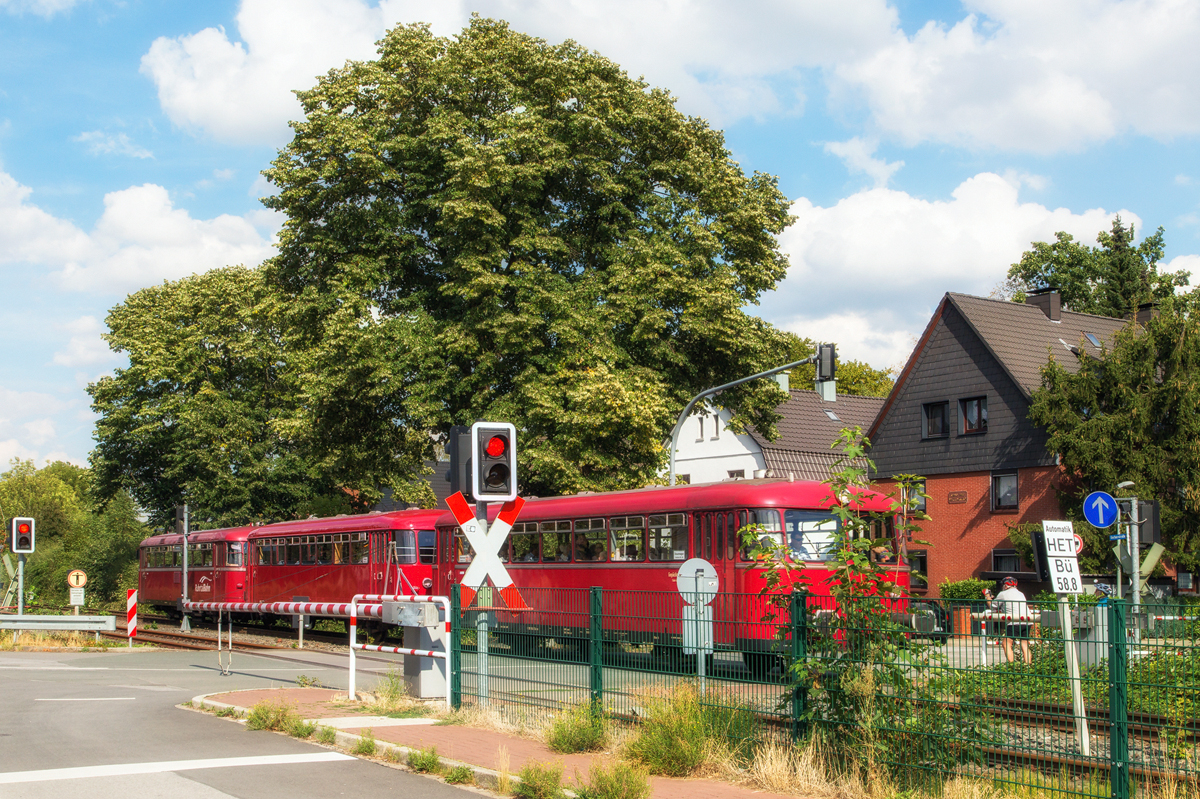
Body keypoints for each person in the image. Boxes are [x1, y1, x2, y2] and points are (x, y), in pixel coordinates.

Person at [984, 576, 1032, 664]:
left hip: (1015, 621)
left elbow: (993, 607)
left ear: (1006, 586)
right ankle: (1028, 666)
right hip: (1027, 620)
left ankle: (1012, 666)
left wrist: (988, 598)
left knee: (1006, 644)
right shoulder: (1021, 593)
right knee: (1024, 644)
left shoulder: (1003, 594)